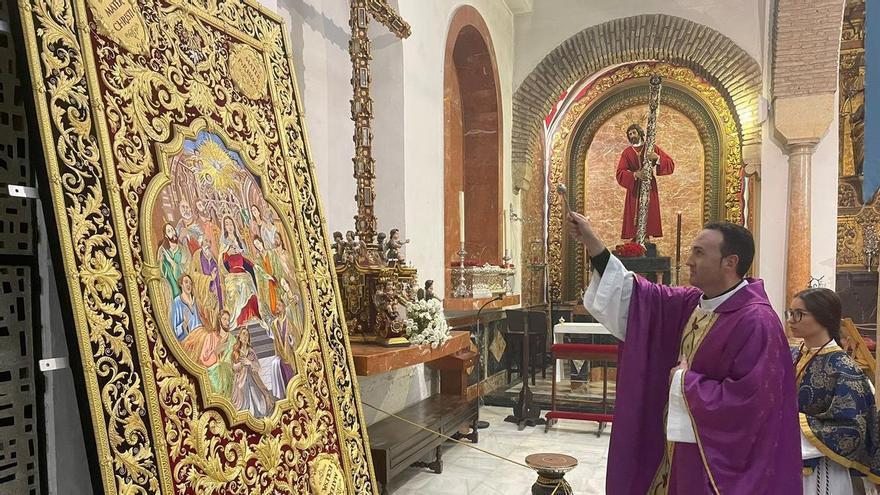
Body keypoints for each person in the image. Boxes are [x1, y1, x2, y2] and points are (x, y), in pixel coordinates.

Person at [567, 211, 801, 494]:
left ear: (730, 262)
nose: (689, 260)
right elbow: (639, 298)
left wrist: (685, 382)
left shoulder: (756, 322)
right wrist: (593, 244)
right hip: (677, 449)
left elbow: (754, 406)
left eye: (699, 253)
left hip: (713, 465)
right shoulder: (694, 302)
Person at [789, 288, 880, 494]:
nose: (791, 320)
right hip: (787, 460)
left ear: (823, 317)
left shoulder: (844, 368)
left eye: (799, 314)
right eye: (790, 312)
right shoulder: (794, 355)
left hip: (823, 470)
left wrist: (792, 423)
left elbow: (852, 430)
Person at [616, 123, 675, 241]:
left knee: (649, 209)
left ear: (640, 133)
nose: (632, 136)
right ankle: (635, 238)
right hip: (634, 186)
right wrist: (635, 174)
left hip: (649, 185)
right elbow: (620, 172)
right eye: (630, 134)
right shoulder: (627, 152)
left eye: (634, 132)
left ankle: (646, 237)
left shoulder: (651, 147)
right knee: (634, 211)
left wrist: (657, 158)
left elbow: (670, 163)